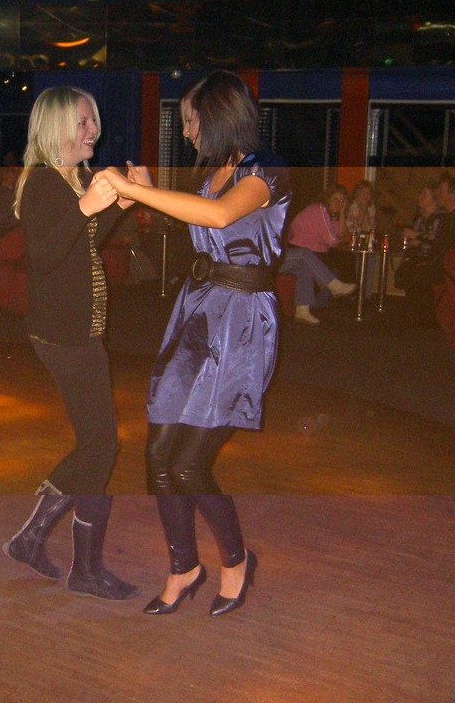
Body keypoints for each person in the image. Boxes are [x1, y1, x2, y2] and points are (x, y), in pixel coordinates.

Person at [95, 71, 281, 617]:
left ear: (220, 114)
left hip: (241, 322)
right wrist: (149, 190)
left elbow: (222, 216)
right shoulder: (212, 172)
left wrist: (136, 190)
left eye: (192, 120)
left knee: (188, 465)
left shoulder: (265, 167)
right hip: (197, 312)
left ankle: (237, 561)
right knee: (157, 456)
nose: (188, 131)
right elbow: (204, 226)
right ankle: (183, 567)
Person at [2, 86, 142, 601]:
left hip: (75, 328)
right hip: (64, 333)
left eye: (94, 120)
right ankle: (83, 569)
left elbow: (84, 241)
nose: (93, 131)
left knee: (95, 443)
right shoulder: (43, 181)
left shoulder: (73, 178)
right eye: (83, 122)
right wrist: (87, 206)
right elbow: (43, 255)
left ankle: (32, 539)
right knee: (101, 445)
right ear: (56, 127)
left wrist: (120, 204)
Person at [395, 174, 455, 326]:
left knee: (419, 273)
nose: (437, 194)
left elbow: (445, 248)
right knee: (412, 268)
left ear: (453, 194)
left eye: (441, 190)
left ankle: (424, 318)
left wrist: (429, 263)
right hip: (453, 263)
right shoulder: (453, 215)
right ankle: (416, 314)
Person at [282, 185, 355, 324]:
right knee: (307, 255)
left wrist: (342, 213)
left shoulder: (332, 215)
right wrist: (341, 239)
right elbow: (333, 241)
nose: (338, 203)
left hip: (314, 253)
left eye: (342, 200)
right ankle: (335, 287)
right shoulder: (317, 210)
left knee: (344, 258)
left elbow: (343, 236)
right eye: (335, 199)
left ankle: (303, 311)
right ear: (327, 199)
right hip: (294, 251)